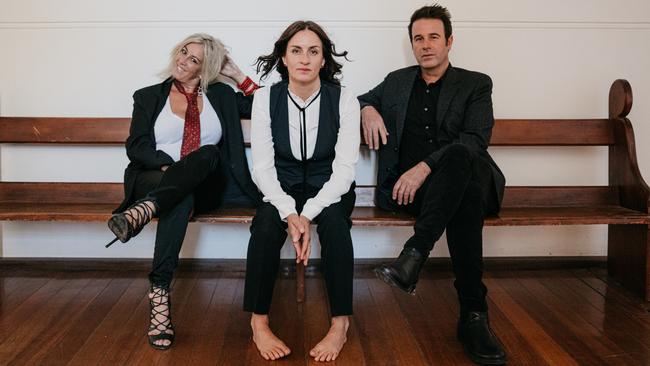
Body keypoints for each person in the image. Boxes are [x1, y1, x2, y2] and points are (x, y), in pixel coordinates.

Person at [358, 5, 507, 365]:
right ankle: (474, 316)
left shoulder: (475, 83)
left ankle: (414, 255)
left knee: (460, 164)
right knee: (463, 196)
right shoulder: (396, 81)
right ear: (412, 44)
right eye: (418, 38)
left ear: (449, 41)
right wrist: (367, 109)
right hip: (411, 194)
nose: (425, 45)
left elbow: (474, 140)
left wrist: (423, 167)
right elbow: (361, 99)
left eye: (433, 37)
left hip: (461, 183)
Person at [106, 33, 261, 350]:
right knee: (180, 196)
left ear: (207, 68)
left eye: (194, 59)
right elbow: (136, 147)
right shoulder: (148, 96)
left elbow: (269, 106)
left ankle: (145, 210)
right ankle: (160, 293)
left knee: (208, 153)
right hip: (154, 178)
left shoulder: (223, 96)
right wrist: (170, 170)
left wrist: (235, 74)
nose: (183, 60)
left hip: (206, 184)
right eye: (183, 52)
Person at [243, 21, 360, 362]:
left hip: (329, 184)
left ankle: (340, 324)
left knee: (337, 226)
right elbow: (262, 167)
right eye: (296, 50)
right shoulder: (266, 98)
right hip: (282, 183)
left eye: (313, 51)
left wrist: (307, 214)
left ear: (324, 60)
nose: (304, 59)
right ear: (284, 57)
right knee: (265, 226)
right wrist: (288, 212)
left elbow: (345, 170)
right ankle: (259, 322)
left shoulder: (345, 99)